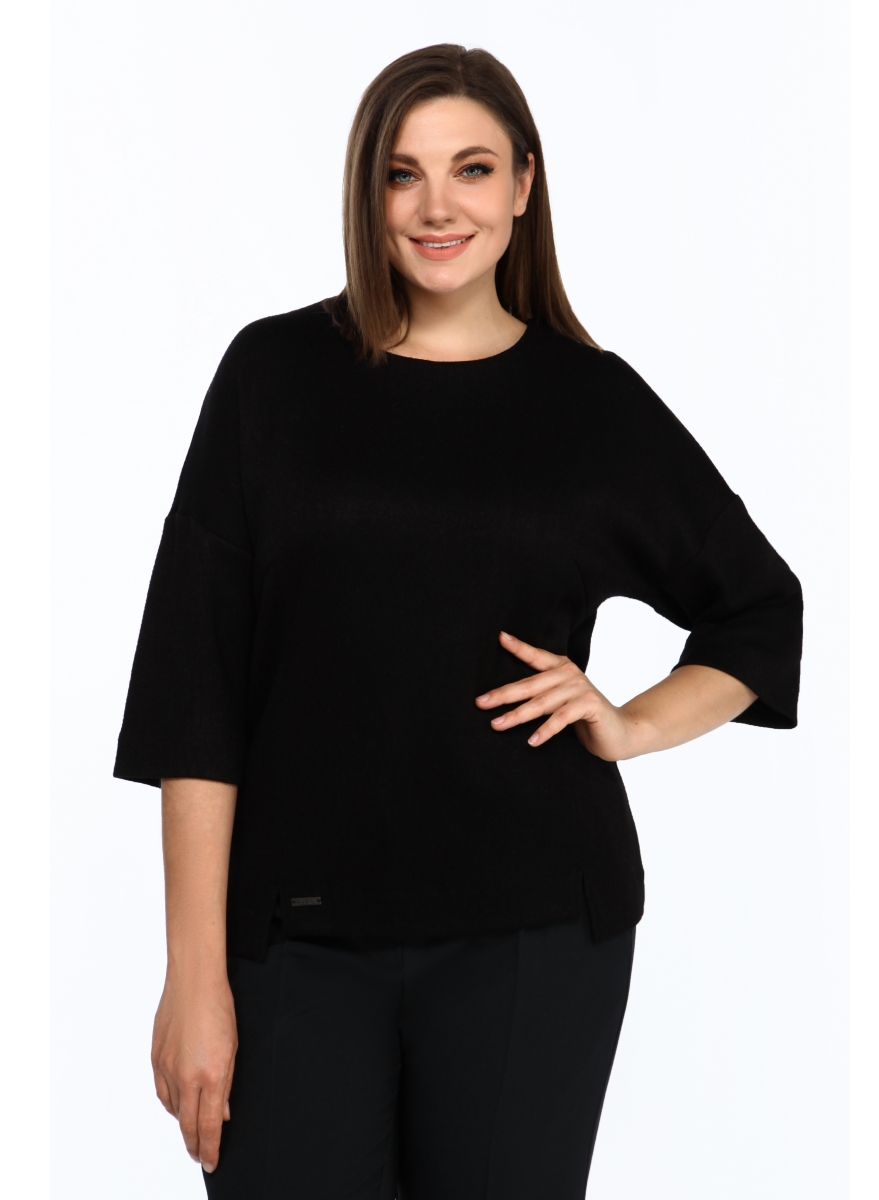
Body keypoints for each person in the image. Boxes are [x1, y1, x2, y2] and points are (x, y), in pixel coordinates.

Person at [114, 43, 803, 1200]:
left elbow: (759, 607)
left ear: (523, 185)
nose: (439, 206)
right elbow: (198, 689)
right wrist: (194, 974)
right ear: (367, 192)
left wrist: (629, 723)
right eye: (404, 173)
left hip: (536, 936)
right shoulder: (272, 376)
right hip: (290, 941)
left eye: (472, 169)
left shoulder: (590, 403)